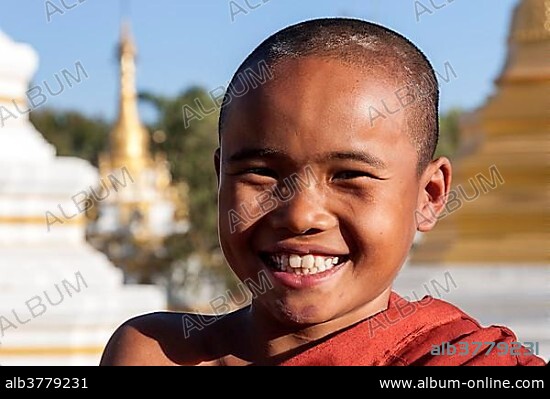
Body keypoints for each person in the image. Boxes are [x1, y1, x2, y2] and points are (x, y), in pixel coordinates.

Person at [100, 18, 545, 366]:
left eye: (349, 175)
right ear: (220, 179)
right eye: (260, 171)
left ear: (429, 195)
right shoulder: (155, 353)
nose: (300, 215)